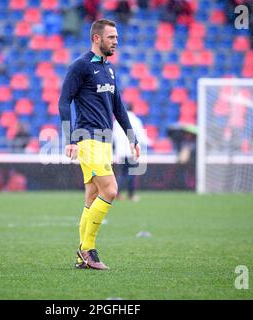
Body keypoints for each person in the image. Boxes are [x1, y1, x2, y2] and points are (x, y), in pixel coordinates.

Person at [58, 19, 140, 270]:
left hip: (105, 141)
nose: (116, 41)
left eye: (116, 37)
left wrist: (131, 137)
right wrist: (69, 139)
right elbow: (64, 102)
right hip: (87, 138)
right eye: (112, 37)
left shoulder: (110, 69)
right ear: (97, 38)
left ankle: (81, 256)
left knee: (92, 196)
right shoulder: (80, 66)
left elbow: (118, 107)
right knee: (111, 190)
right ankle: (88, 251)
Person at [113, 104, 148, 202]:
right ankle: (131, 195)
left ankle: (117, 193)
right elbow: (141, 136)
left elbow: (113, 136)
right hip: (131, 151)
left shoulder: (116, 121)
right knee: (131, 174)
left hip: (120, 152)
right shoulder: (136, 121)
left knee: (121, 174)